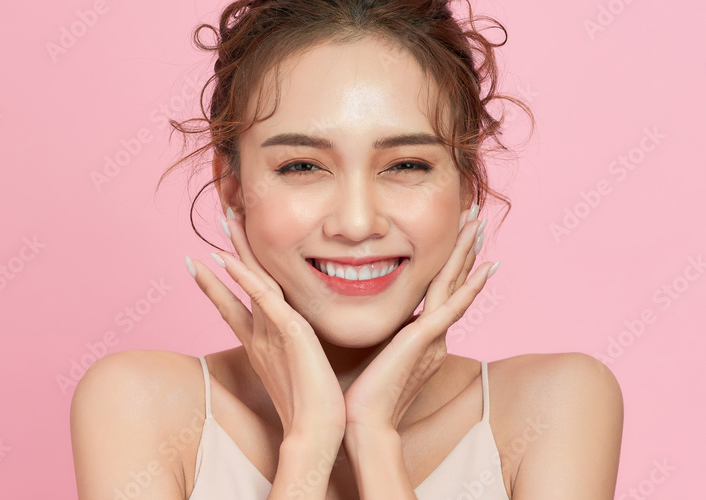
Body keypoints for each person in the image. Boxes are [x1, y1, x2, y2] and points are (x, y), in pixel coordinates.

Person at [71, 1, 624, 498]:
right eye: (302, 166)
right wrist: (310, 443)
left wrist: (373, 438)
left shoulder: (555, 405)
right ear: (233, 187)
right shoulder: (140, 405)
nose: (357, 223)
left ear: (468, 186)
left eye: (407, 165)